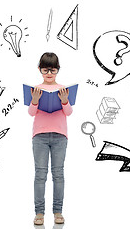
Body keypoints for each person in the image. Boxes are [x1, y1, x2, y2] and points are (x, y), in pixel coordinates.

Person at [28, 52, 73, 225]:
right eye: (46, 70)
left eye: (53, 70)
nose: (49, 73)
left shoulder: (63, 89)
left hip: (60, 136)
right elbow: (31, 113)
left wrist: (64, 100)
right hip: (39, 136)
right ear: (40, 69)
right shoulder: (36, 90)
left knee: (58, 174)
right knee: (40, 174)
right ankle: (39, 213)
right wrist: (34, 100)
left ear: (57, 70)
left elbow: (68, 112)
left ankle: (58, 212)